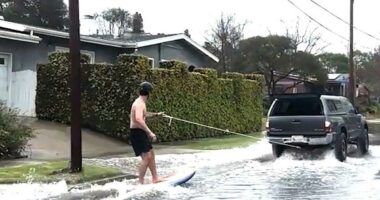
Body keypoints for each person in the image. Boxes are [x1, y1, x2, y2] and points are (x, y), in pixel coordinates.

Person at [129, 81, 164, 184]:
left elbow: (144, 114)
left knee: (151, 154)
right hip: (137, 133)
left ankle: (155, 178)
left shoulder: (140, 102)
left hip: (139, 132)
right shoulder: (139, 104)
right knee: (146, 157)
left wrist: (157, 114)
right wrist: (150, 132)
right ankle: (140, 182)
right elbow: (139, 119)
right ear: (149, 93)